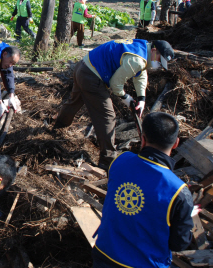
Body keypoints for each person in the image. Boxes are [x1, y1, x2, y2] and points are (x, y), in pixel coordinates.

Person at [53, 39, 175, 169]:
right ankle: (108, 160)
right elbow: (115, 84)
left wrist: (142, 98)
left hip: (83, 66)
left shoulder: (143, 48)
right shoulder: (137, 60)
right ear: (154, 50)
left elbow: (141, 73)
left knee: (74, 102)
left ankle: (57, 127)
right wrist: (126, 98)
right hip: (92, 75)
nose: (158, 64)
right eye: (159, 59)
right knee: (107, 116)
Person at [92, 112, 193, 267]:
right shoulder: (178, 191)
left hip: (104, 254)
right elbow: (179, 244)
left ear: (142, 138)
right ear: (176, 143)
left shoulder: (120, 161)